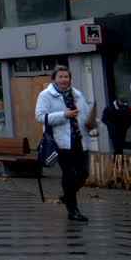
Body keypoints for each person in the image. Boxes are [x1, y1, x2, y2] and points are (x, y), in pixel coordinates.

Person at [37, 66, 95, 222]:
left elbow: (85, 114)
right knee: (69, 175)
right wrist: (64, 115)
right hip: (61, 142)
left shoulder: (77, 94)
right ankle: (73, 210)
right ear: (54, 78)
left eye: (66, 77)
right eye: (60, 77)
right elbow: (41, 116)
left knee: (83, 173)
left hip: (80, 139)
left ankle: (66, 196)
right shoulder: (46, 95)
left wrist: (92, 126)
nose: (64, 80)